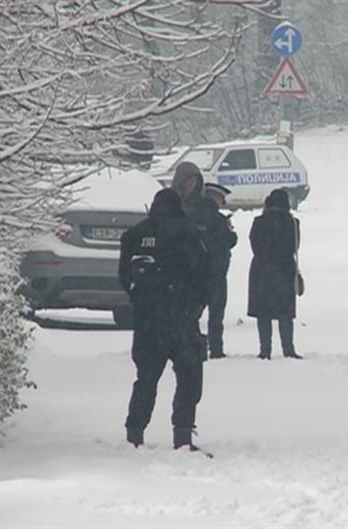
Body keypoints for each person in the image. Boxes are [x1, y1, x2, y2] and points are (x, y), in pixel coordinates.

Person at [118, 188, 211, 452]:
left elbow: (125, 276)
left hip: (148, 320)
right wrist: (194, 307)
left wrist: (141, 301)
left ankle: (135, 432)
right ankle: (182, 434)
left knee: (146, 378)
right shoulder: (190, 234)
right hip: (182, 318)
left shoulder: (135, 236)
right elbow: (204, 276)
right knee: (189, 376)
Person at [248, 189, 302, 360]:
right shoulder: (293, 223)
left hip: (262, 269)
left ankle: (265, 350)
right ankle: (288, 348)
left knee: (264, 312)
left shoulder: (259, 222)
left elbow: (255, 245)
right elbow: (295, 246)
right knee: (285, 312)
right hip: (285, 268)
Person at [170, 162, 211, 355]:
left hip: (196, 262)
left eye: (195, 181)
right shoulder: (172, 201)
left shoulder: (200, 204)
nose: (191, 185)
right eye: (188, 181)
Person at [198, 182, 238, 360]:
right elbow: (229, 241)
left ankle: (190, 343)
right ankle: (216, 348)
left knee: (191, 314)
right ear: (215, 198)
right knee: (216, 315)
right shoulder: (219, 220)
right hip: (216, 273)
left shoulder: (192, 215)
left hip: (195, 273)